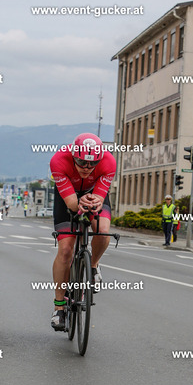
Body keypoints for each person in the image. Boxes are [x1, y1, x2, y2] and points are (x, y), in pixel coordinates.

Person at [49, 132, 116, 331]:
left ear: (99, 159)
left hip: (93, 192)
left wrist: (95, 202)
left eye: (92, 163)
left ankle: (93, 266)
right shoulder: (59, 160)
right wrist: (79, 203)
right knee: (66, 250)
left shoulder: (109, 162)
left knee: (102, 230)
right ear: (73, 156)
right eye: (81, 162)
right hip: (68, 195)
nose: (86, 168)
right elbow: (71, 204)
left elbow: (99, 199)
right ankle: (59, 307)